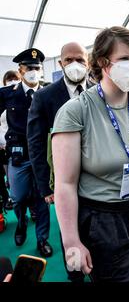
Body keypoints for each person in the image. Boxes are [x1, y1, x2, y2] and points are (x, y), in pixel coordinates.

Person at [52, 26, 129, 282]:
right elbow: (65, 183)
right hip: (104, 220)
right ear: (104, 63)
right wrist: (71, 240)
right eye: (126, 59)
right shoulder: (76, 110)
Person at [27, 42, 90, 282]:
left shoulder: (98, 90)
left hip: (96, 179)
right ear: (61, 63)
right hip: (64, 181)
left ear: (88, 62)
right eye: (70, 59)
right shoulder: (45, 97)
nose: (75, 65)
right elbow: (35, 143)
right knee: (70, 232)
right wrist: (46, 187)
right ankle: (74, 276)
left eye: (81, 60)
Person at [0, 48, 53, 257]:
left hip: (42, 156)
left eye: (37, 68)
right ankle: (20, 222)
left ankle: (43, 239)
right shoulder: (7, 94)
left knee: (43, 199)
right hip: (18, 155)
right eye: (29, 68)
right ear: (20, 71)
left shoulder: (48, 93)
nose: (33, 71)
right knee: (18, 196)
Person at [1, 71, 20, 211]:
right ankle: (9, 198)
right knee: (9, 177)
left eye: (15, 79)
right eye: (10, 79)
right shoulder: (2, 100)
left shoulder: (21, 98)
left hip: (18, 143)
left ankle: (31, 208)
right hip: (3, 145)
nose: (13, 81)